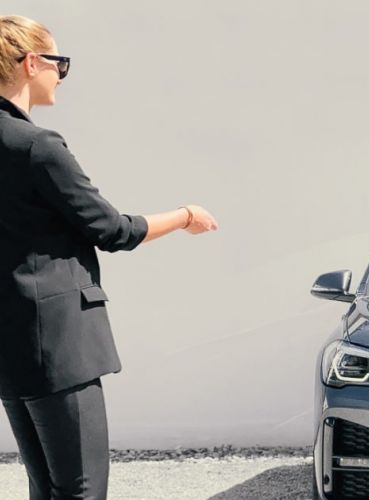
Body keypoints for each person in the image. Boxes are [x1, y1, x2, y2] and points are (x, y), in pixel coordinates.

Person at [0, 15, 219, 499]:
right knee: (81, 488)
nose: (61, 74)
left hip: (10, 345)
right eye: (59, 63)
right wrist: (185, 215)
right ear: (31, 62)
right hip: (59, 342)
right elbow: (111, 229)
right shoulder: (36, 146)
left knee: (45, 486)